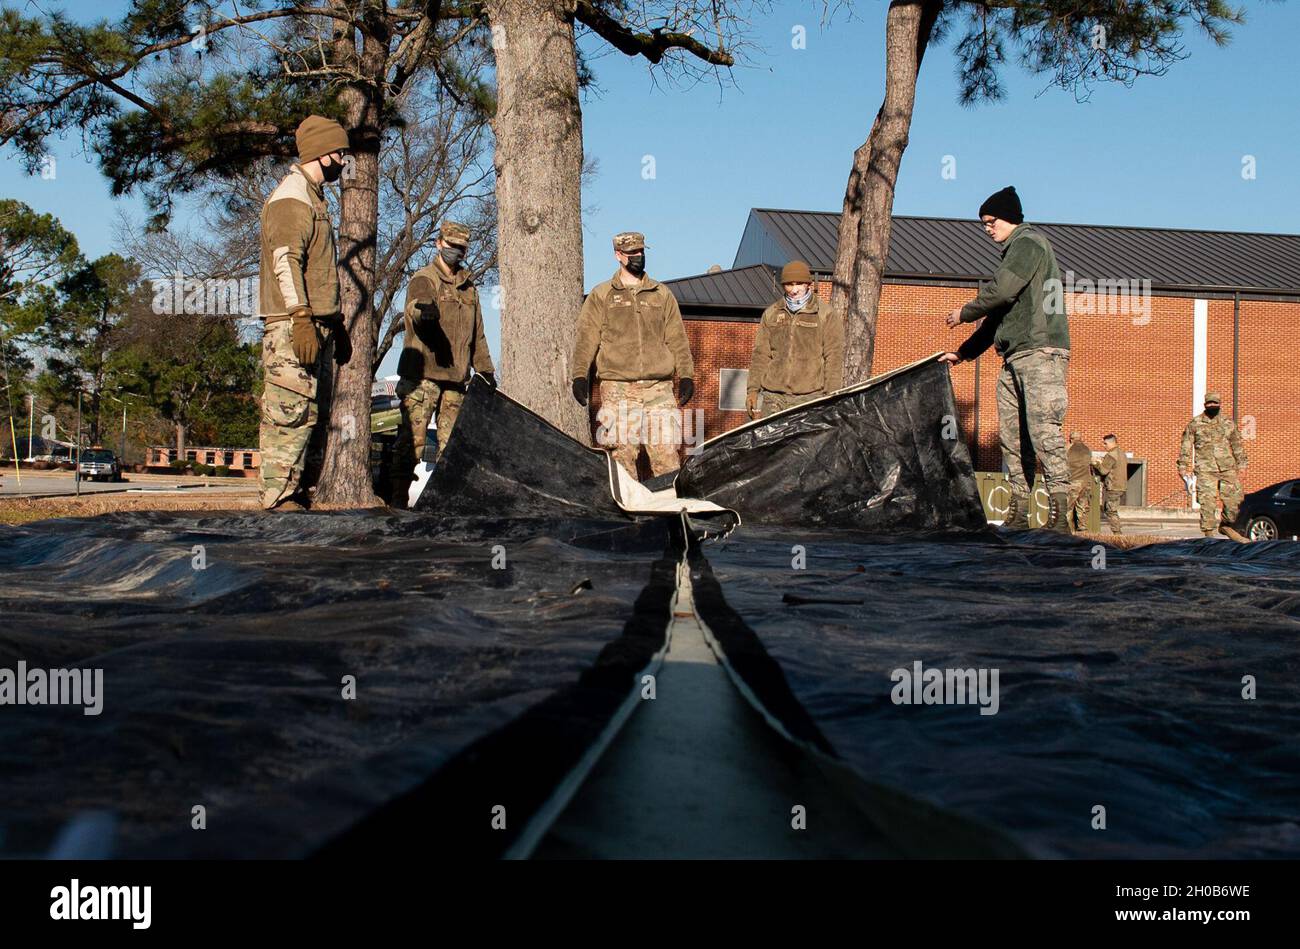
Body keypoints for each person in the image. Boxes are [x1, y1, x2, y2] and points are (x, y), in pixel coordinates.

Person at [941, 186, 1071, 532]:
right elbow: (997, 316)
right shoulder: (1013, 253)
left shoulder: (1029, 245)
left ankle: (1059, 513)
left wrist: (964, 312)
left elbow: (1000, 291)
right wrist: (964, 352)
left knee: (1044, 431)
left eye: (990, 221)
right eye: (983, 223)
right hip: (1013, 356)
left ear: (1008, 218)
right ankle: (1019, 510)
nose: (987, 228)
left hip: (1040, 353)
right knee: (1012, 438)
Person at [257, 115, 352, 512]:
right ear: (324, 153)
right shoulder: (292, 197)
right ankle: (278, 501)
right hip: (292, 329)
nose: (344, 162)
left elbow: (317, 271)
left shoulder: (313, 198)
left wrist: (336, 322)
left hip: (316, 326)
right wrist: (299, 317)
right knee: (289, 413)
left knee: (311, 417)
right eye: (341, 153)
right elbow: (286, 261)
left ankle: (296, 496)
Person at [388, 221, 496, 508]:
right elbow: (415, 309)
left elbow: (478, 334)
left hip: (456, 381)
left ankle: (447, 505)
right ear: (439, 243)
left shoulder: (468, 288)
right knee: (412, 442)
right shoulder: (424, 279)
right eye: (450, 245)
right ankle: (397, 503)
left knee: (454, 449)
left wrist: (485, 369)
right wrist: (425, 313)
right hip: (423, 375)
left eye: (460, 247)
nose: (455, 251)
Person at [570, 231, 694, 480]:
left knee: (667, 457)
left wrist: (687, 375)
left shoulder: (661, 294)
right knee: (621, 459)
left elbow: (677, 338)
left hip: (658, 388)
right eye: (631, 254)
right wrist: (580, 375)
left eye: (641, 252)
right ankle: (627, 514)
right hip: (618, 389)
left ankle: (669, 513)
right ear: (618, 255)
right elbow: (586, 338)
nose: (638, 257)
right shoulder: (602, 295)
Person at [746, 260, 844, 419]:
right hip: (773, 397)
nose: (794, 289)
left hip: (809, 397)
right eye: (789, 284)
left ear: (808, 284)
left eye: (799, 283)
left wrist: (832, 395)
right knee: (772, 443)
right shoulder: (771, 314)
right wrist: (752, 390)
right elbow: (761, 354)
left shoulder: (825, 314)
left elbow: (834, 356)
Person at [1178, 392, 1249, 541]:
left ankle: (1226, 525)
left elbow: (1237, 445)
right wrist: (1183, 467)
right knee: (1207, 503)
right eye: (1209, 403)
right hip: (1205, 469)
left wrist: (1242, 465)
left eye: (1215, 403)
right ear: (1205, 405)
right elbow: (1186, 446)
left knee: (1234, 501)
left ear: (1219, 404)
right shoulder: (1195, 424)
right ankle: (1209, 536)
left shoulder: (1228, 423)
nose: (1212, 406)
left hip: (1227, 468)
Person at [1091, 433, 1127, 534]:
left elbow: (1103, 471)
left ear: (1111, 443)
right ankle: (1117, 531)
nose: (1104, 446)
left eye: (1105, 443)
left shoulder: (1111, 455)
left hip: (1113, 486)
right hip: (1120, 486)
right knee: (1112, 509)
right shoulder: (1121, 453)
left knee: (1110, 510)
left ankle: (1117, 533)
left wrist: (1096, 463)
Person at [1066, 430, 1093, 532]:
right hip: (1086, 482)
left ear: (1071, 439)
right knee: (1082, 507)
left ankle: (1067, 530)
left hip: (1074, 481)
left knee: (1068, 507)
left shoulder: (1068, 448)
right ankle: (1082, 528)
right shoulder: (1087, 449)